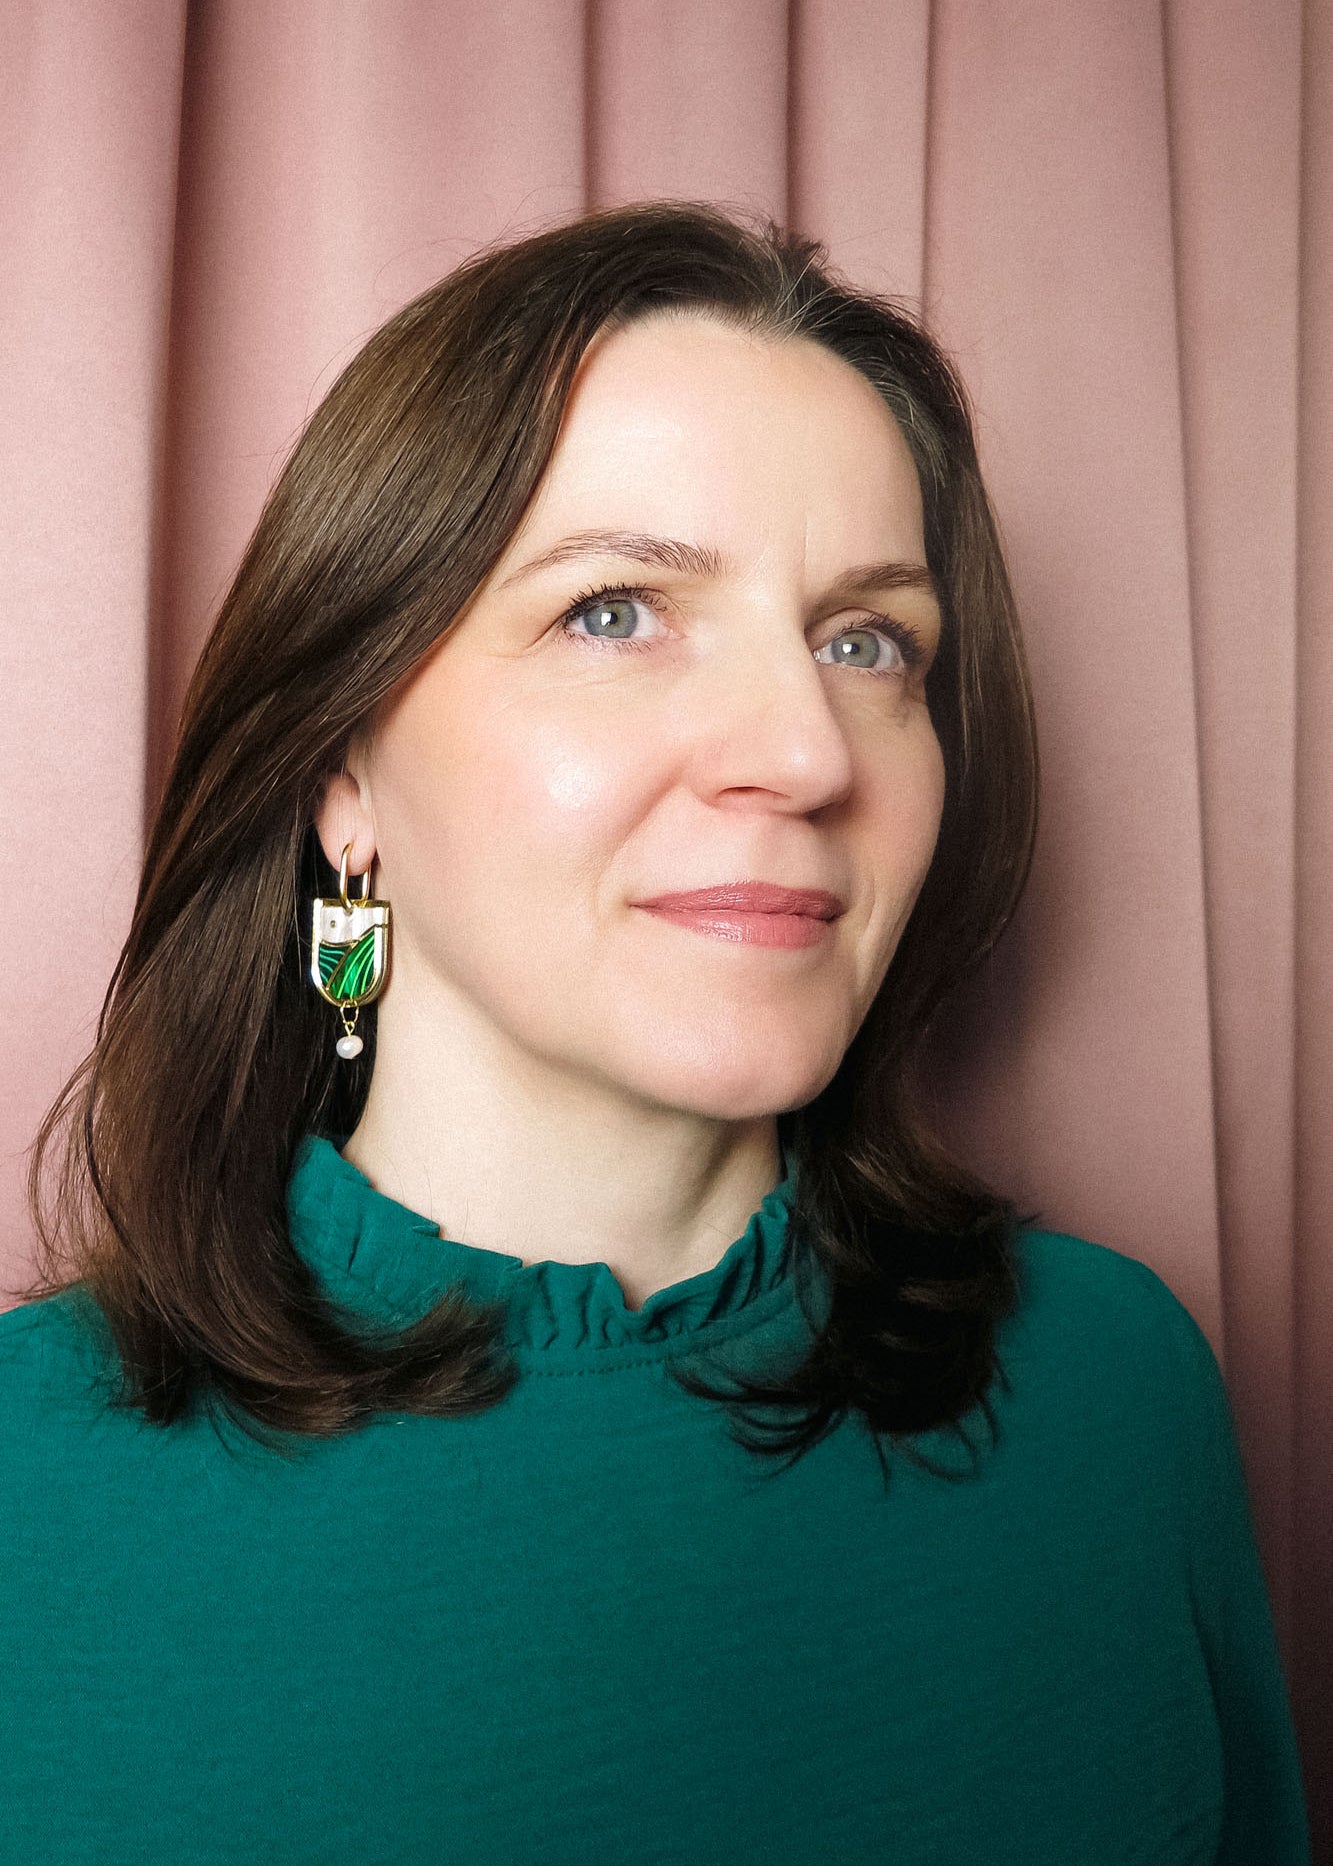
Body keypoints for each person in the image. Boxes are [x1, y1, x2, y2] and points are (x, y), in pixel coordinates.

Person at [2, 200, 1309, 1864]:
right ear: (343, 776)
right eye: (616, 610)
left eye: (866, 640)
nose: (803, 747)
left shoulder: (1116, 1399)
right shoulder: (23, 1493)